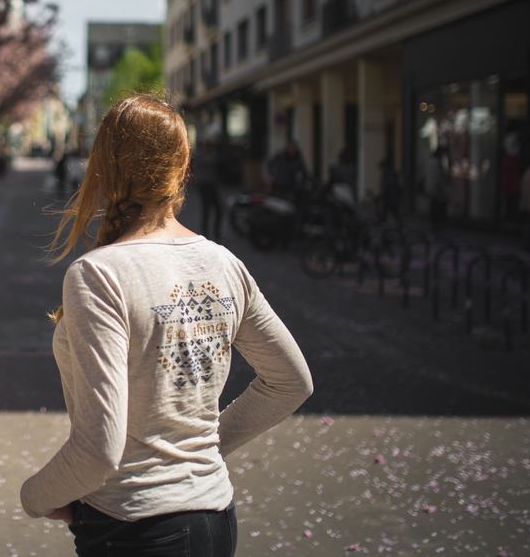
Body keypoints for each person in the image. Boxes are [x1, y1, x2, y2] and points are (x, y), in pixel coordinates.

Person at [21, 96, 313, 557]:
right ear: (182, 167)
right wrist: (200, 452)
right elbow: (291, 381)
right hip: (216, 520)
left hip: (134, 528)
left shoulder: (99, 274)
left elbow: (99, 449)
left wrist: (34, 497)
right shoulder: (223, 263)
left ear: (103, 168)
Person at [192, 138, 222, 241]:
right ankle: (206, 232)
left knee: (217, 209)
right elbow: (209, 161)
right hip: (204, 185)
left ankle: (214, 232)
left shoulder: (208, 154)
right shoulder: (201, 155)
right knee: (207, 209)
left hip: (211, 185)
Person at [422, 147, 448, 231]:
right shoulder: (436, 163)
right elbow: (438, 178)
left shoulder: (430, 162)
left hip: (430, 188)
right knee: (436, 207)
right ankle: (436, 224)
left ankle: (434, 224)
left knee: (433, 207)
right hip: (435, 189)